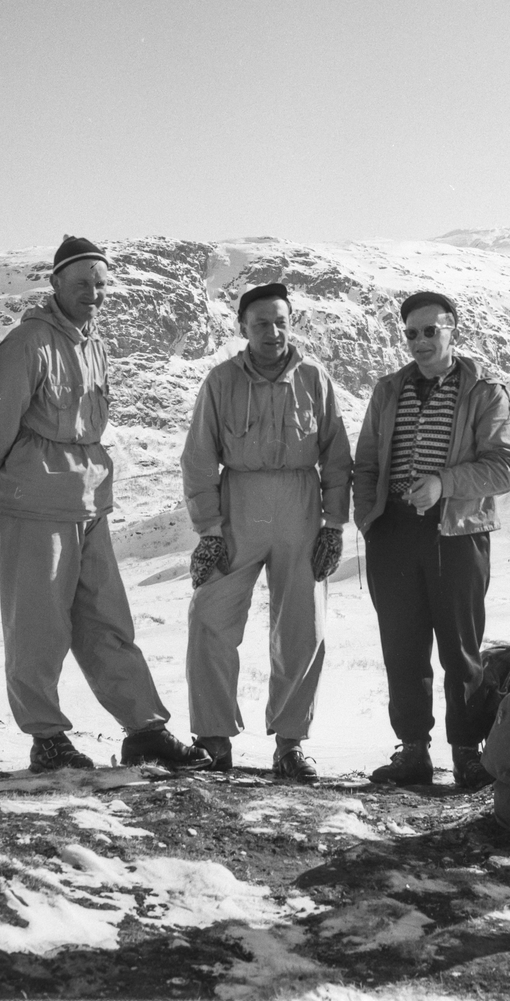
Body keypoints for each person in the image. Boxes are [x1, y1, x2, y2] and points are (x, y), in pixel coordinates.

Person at [0, 236, 210, 774]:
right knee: (38, 627)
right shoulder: (27, 343)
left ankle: (144, 728)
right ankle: (46, 737)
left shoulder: (93, 344)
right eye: (82, 284)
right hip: (35, 505)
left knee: (107, 621)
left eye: (101, 284)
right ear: (54, 283)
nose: (93, 294)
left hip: (89, 503)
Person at [182, 282, 352, 782]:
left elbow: (337, 457)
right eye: (261, 323)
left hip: (301, 507)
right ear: (242, 329)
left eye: (281, 322)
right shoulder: (220, 382)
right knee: (210, 617)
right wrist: (209, 530)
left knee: (302, 627)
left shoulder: (315, 380)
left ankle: (290, 744)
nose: (273, 332)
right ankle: (213, 740)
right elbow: (197, 459)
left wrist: (334, 524)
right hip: (240, 506)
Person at [355, 291, 510, 790]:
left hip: (458, 534)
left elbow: (506, 467)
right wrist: (369, 517)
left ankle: (468, 755)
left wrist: (443, 484)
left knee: (460, 649)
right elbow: (365, 463)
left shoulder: (486, 392)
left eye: (432, 330)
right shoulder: (388, 390)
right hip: (394, 534)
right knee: (401, 648)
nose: (421, 341)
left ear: (453, 330)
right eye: (412, 333)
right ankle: (413, 753)